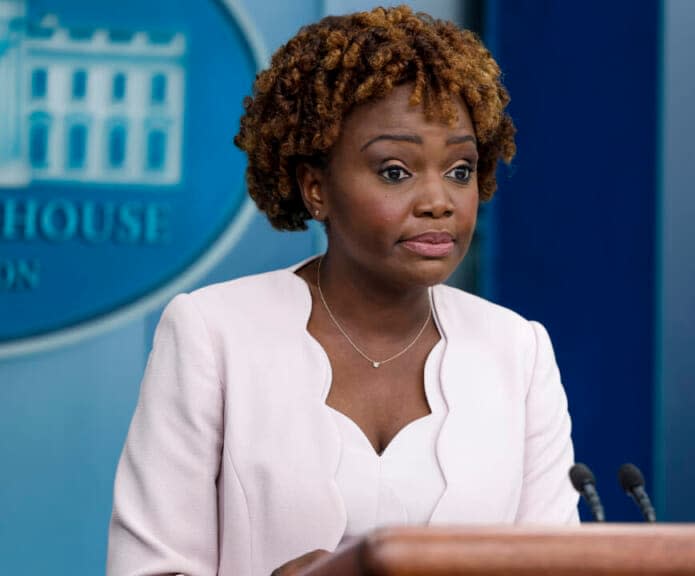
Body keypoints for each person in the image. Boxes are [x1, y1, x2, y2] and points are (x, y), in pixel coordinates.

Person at [106, 6, 578, 576]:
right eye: (395, 171)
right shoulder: (214, 332)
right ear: (315, 188)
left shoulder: (518, 351)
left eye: (460, 169)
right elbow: (149, 568)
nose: (439, 201)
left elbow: (557, 563)